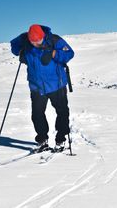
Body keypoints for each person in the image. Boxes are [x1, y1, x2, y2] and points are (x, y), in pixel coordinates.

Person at [10, 24, 75, 152]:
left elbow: (69, 53)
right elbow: (14, 48)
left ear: (43, 36)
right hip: (37, 87)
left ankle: (61, 139)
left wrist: (55, 53)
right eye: (33, 42)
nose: (36, 44)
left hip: (57, 84)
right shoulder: (25, 41)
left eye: (38, 41)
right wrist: (20, 49)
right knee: (37, 115)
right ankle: (42, 140)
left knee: (62, 112)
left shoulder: (54, 40)